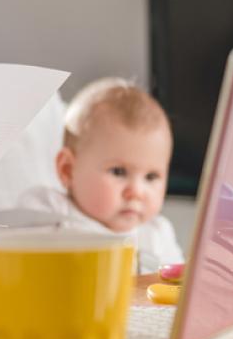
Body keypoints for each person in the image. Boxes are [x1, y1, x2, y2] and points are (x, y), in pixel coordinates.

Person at [20, 78, 184, 272]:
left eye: (151, 177)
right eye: (118, 172)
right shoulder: (49, 211)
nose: (136, 192)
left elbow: (177, 289)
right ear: (67, 170)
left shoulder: (157, 235)